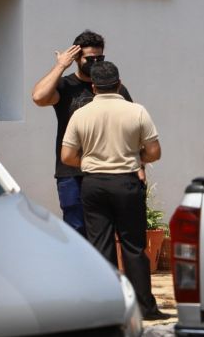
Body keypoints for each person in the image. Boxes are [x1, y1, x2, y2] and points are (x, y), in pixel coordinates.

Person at [61, 61, 170, 321]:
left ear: (94, 87)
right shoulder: (136, 111)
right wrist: (134, 157)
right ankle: (145, 307)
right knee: (134, 246)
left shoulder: (81, 114)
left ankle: (107, 308)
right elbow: (154, 152)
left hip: (93, 183)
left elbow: (67, 156)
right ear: (119, 84)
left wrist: (90, 162)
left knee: (101, 245)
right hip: (126, 182)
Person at [31, 30, 138, 237]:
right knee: (76, 230)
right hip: (71, 172)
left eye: (100, 58)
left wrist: (138, 167)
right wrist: (61, 65)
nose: (95, 62)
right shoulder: (66, 85)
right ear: (77, 58)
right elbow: (38, 97)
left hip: (107, 171)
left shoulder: (113, 87)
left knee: (104, 233)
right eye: (90, 58)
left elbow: (129, 127)